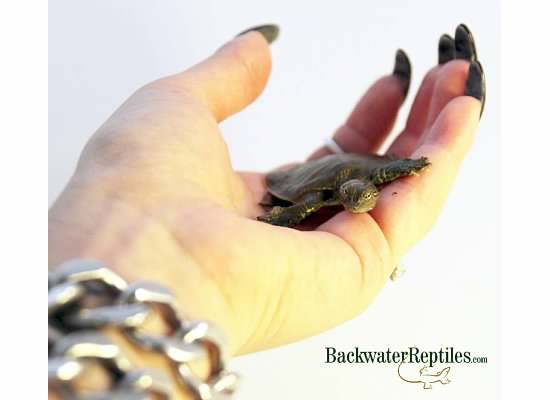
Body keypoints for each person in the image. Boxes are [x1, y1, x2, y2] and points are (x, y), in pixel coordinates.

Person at [49, 22, 485, 390]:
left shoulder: (373, 178)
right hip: (311, 181)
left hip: (356, 166)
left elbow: (383, 175)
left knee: (412, 160)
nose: (359, 201)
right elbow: (300, 207)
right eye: (356, 197)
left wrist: (408, 165)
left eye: (363, 196)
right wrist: (275, 219)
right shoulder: (325, 194)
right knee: (301, 205)